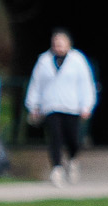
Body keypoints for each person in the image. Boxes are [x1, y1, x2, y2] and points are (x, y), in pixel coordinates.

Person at [26, 29, 97, 186]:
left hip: (72, 106)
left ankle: (72, 159)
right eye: (56, 43)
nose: (58, 46)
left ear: (68, 44)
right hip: (51, 105)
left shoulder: (78, 60)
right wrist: (33, 105)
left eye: (61, 43)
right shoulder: (44, 61)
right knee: (55, 137)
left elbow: (86, 83)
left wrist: (87, 105)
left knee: (73, 138)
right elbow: (36, 84)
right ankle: (57, 168)